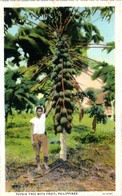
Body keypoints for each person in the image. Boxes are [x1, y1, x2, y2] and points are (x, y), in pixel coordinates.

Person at [30, 105, 51, 171]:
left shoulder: (43, 117)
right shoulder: (33, 120)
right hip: (36, 136)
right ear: (36, 111)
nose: (39, 112)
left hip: (43, 136)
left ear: (42, 112)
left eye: (41, 111)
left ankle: (45, 164)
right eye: (38, 111)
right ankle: (38, 166)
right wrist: (32, 140)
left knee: (45, 152)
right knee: (37, 152)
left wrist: (52, 104)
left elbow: (48, 111)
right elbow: (31, 130)